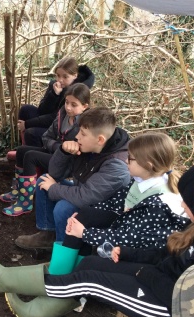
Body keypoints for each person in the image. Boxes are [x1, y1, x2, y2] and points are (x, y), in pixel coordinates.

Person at [0, 166, 194, 317]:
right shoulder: (190, 227)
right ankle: (35, 314)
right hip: (159, 276)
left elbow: (177, 292)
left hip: (175, 309)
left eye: (188, 204)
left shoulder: (165, 207)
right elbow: (164, 254)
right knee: (90, 263)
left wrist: (143, 273)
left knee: (90, 281)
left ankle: (5, 279)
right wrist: (130, 255)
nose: (183, 207)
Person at [52, 132, 189, 275]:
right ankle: (64, 271)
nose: (125, 160)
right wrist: (79, 217)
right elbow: (116, 202)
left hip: (140, 254)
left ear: (148, 165)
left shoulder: (160, 204)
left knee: (84, 234)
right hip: (127, 225)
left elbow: (130, 237)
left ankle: (62, 274)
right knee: (85, 215)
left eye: (130, 158)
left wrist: (85, 233)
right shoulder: (140, 178)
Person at [15, 106, 130, 250]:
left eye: (83, 134)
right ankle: (48, 236)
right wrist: (63, 152)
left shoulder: (117, 165)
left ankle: (65, 250)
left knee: (63, 208)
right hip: (85, 194)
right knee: (44, 180)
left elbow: (85, 197)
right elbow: (54, 173)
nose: (77, 137)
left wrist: (54, 188)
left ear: (100, 139)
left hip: (104, 210)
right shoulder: (89, 145)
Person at [0, 83, 91, 217]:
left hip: (69, 163)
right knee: (21, 151)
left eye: (74, 105)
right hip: (56, 153)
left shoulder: (86, 124)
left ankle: (25, 202)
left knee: (31, 156)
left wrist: (61, 149)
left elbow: (80, 151)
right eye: (66, 102)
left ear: (84, 106)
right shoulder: (62, 115)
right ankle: (18, 190)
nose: (68, 107)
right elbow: (46, 137)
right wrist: (59, 147)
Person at [16, 56, 94, 148]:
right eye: (58, 75)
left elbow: (56, 117)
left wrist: (27, 124)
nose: (60, 80)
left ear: (75, 76)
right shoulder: (55, 85)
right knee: (26, 109)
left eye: (65, 77)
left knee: (31, 132)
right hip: (49, 121)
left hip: (59, 128)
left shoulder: (77, 92)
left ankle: (36, 150)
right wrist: (54, 94)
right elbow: (42, 110)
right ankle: (23, 146)